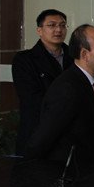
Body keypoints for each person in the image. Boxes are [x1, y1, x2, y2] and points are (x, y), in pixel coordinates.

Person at [25, 24, 94, 171]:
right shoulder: (68, 88)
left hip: (82, 171)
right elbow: (43, 138)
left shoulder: (85, 82)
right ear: (84, 54)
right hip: (64, 174)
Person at [12, 9, 74, 156]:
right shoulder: (25, 60)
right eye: (52, 25)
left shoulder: (75, 56)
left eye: (62, 25)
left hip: (70, 133)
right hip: (39, 133)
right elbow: (31, 99)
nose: (58, 30)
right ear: (39, 30)